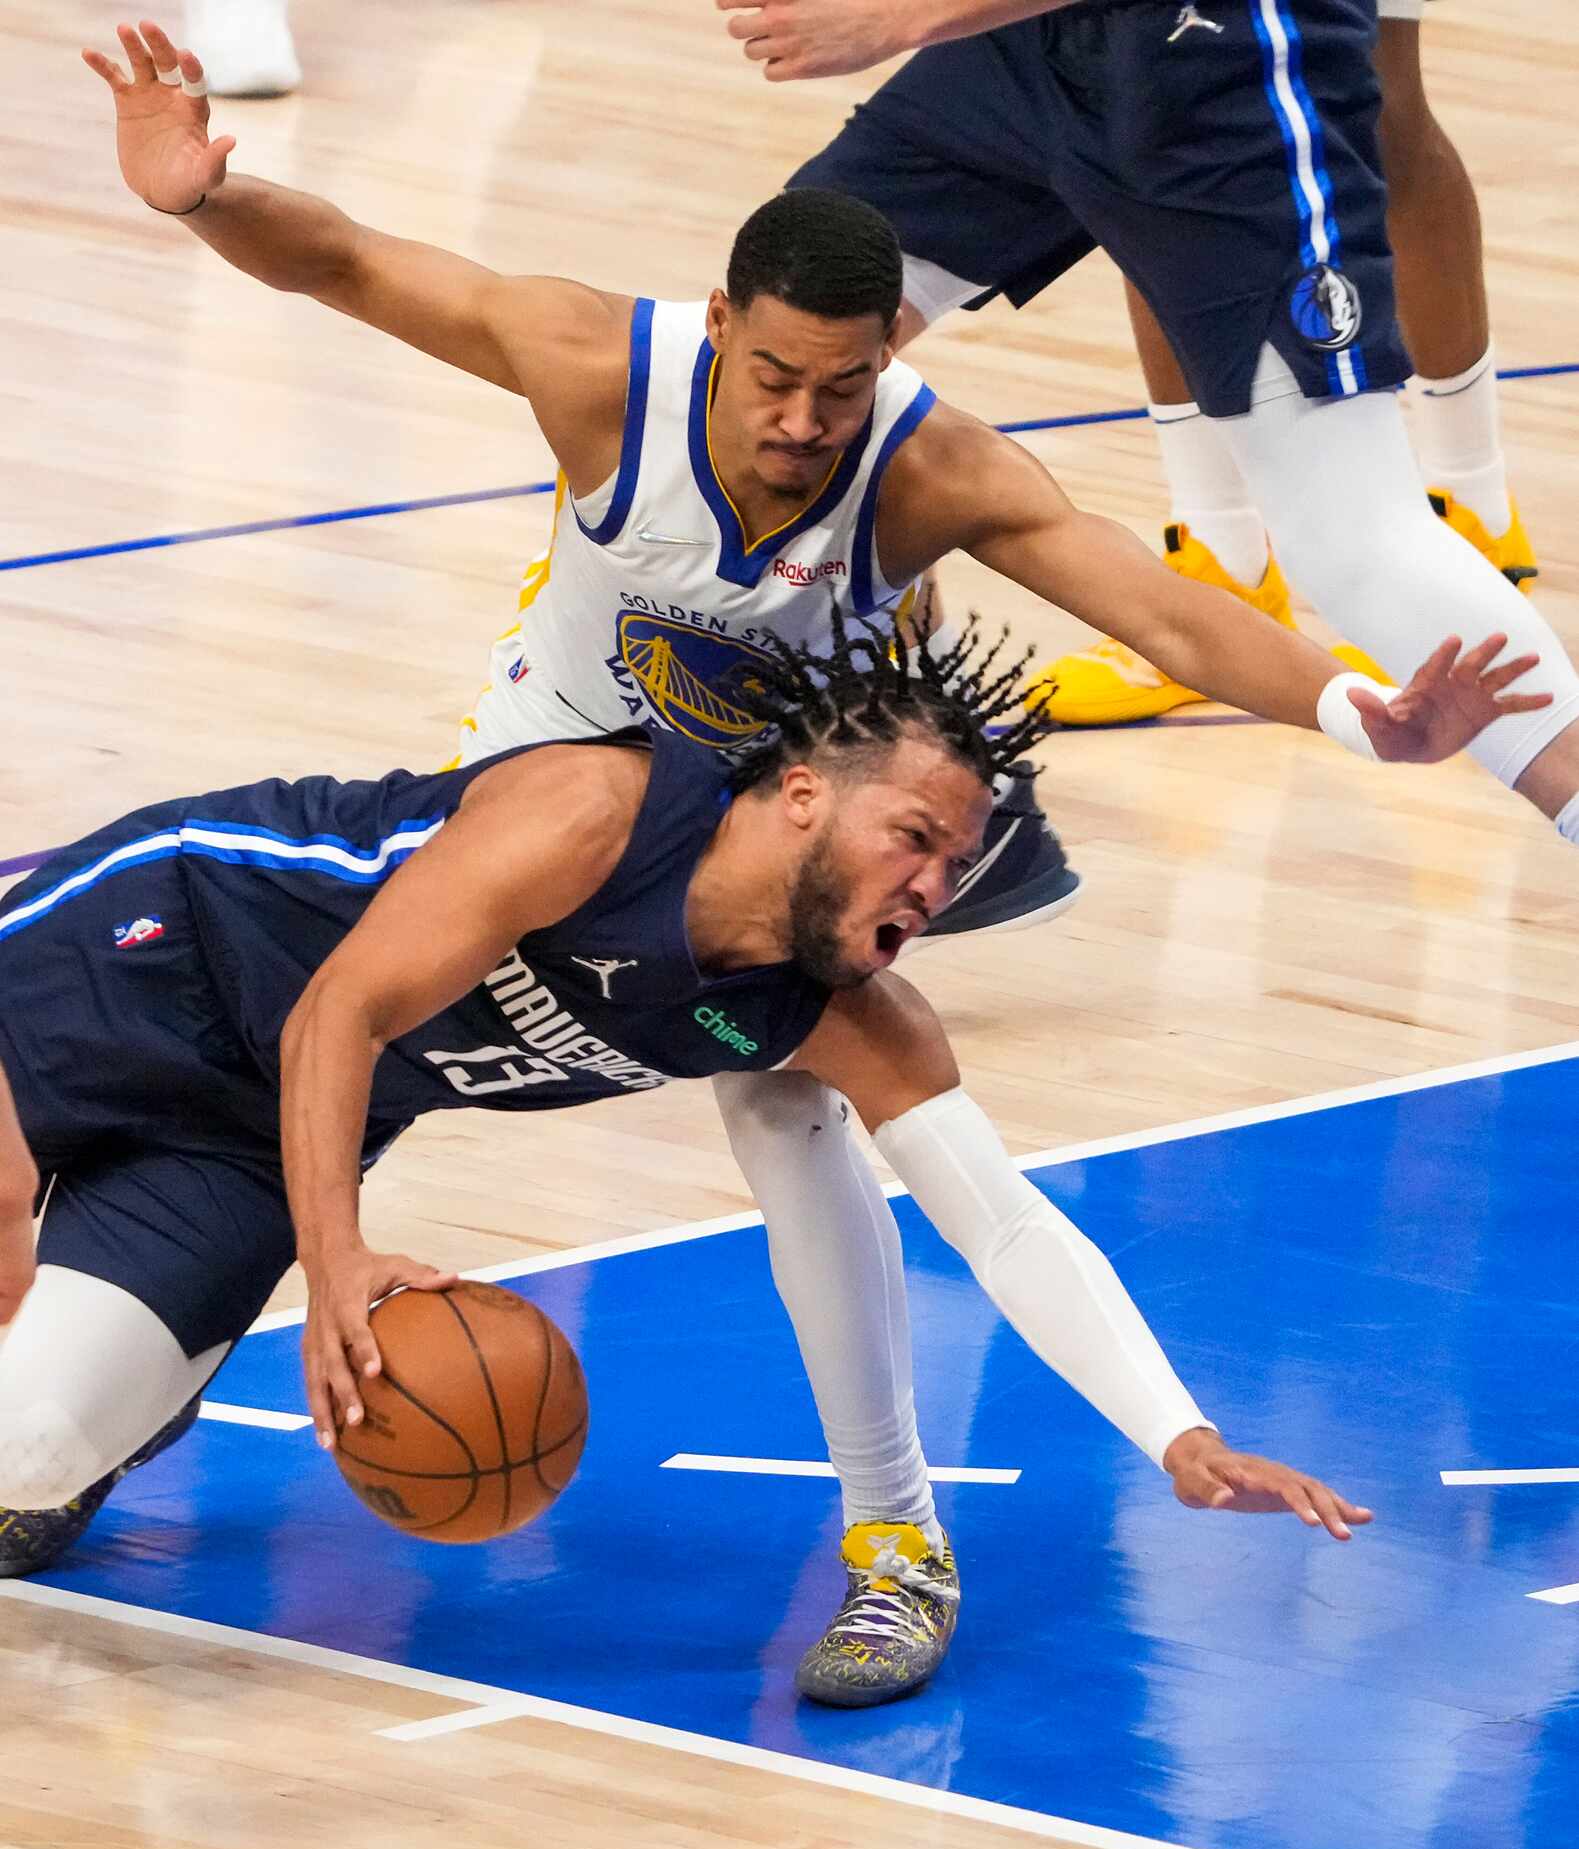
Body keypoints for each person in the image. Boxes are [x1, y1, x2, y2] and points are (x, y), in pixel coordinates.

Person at [80, 17, 1553, 1704]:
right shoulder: (593, 365)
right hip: (553, 795)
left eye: (835, 388)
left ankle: (893, 1539)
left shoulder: (923, 464)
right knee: (344, 1026)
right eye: (769, 379)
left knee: (794, 1101)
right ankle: (139, 1340)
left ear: (881, 361)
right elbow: (344, 258)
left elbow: (1150, 605)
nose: (797, 420)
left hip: (759, 833)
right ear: (718, 330)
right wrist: (206, 198)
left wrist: (1356, 714)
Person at [0, 619, 1539, 1702]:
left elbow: (1003, 1228)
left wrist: (1177, 1438)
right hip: (110, 964)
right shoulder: (591, 812)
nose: (932, 883)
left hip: (240, 1131)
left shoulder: (831, 1008)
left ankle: (134, 1387)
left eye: (955, 865)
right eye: (913, 837)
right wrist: (335, 1269)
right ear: (801, 792)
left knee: (27, 1453)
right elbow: (338, 1008)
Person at [737, 0, 1579, 806]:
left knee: (1353, 539)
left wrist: (898, 15)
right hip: (1014, 46)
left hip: (1222, 56)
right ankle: (942, 766)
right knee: (774, 364)